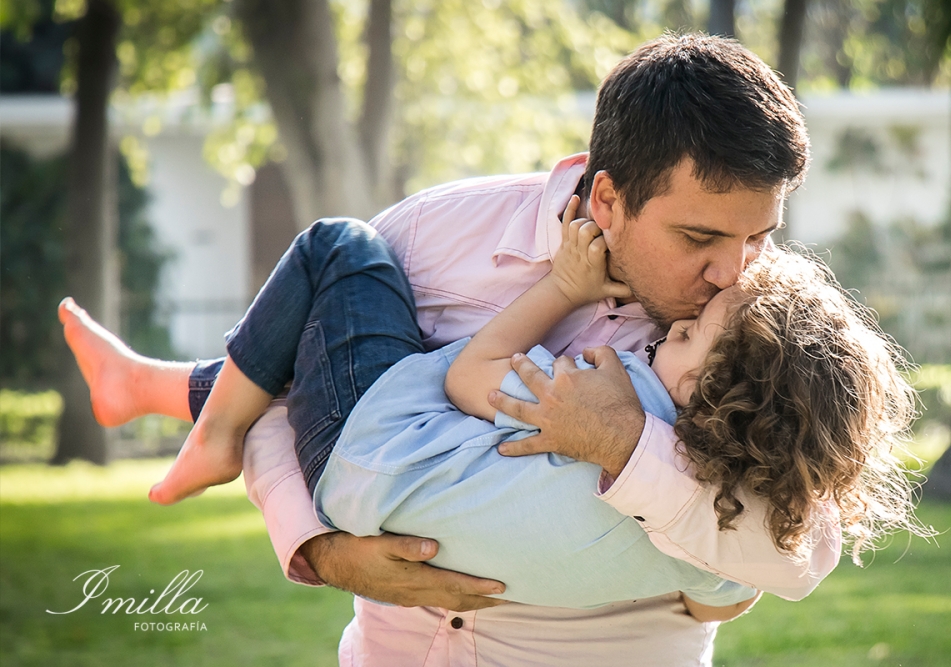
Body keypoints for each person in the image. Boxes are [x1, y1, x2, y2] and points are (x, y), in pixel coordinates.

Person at [60, 33, 851, 666]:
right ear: (607, 198)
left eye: (761, 235)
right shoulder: (433, 238)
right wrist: (318, 543)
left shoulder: (752, 323)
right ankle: (143, 384)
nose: (733, 270)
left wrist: (624, 444)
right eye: (701, 237)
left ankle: (144, 383)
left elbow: (803, 544)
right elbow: (296, 387)